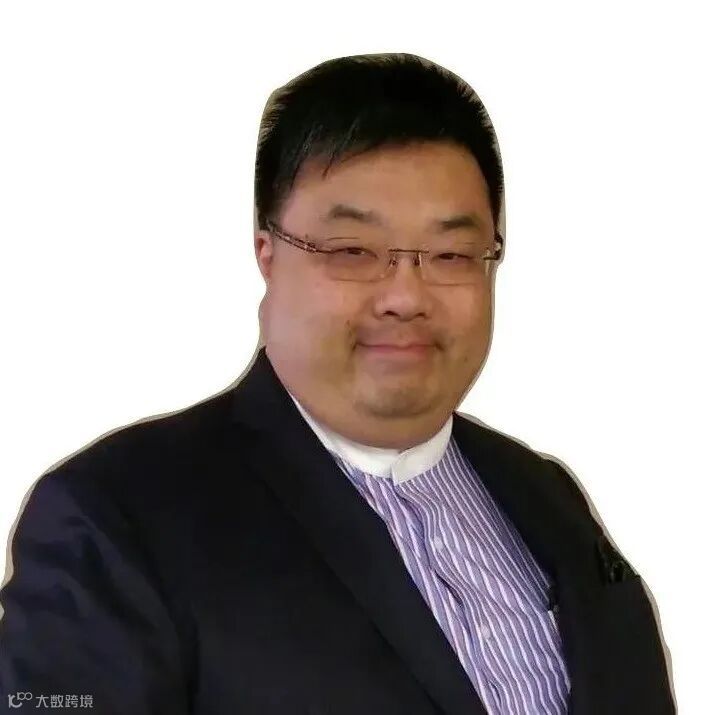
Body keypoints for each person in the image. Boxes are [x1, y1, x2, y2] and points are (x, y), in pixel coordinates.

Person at [0, 53, 675, 715]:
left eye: (450, 254)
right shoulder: (115, 518)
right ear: (266, 251)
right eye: (352, 251)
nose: (405, 297)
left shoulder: (545, 495)